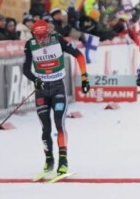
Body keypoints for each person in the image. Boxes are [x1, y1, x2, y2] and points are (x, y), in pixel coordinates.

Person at [22, 19, 90, 175]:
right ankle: (49, 160)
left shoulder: (57, 39)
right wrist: (36, 80)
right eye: (38, 36)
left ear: (48, 32)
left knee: (59, 123)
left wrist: (85, 77)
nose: (41, 39)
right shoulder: (30, 44)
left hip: (58, 87)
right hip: (42, 90)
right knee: (45, 128)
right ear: (33, 35)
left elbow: (79, 55)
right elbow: (26, 68)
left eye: (44, 35)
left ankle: (63, 161)